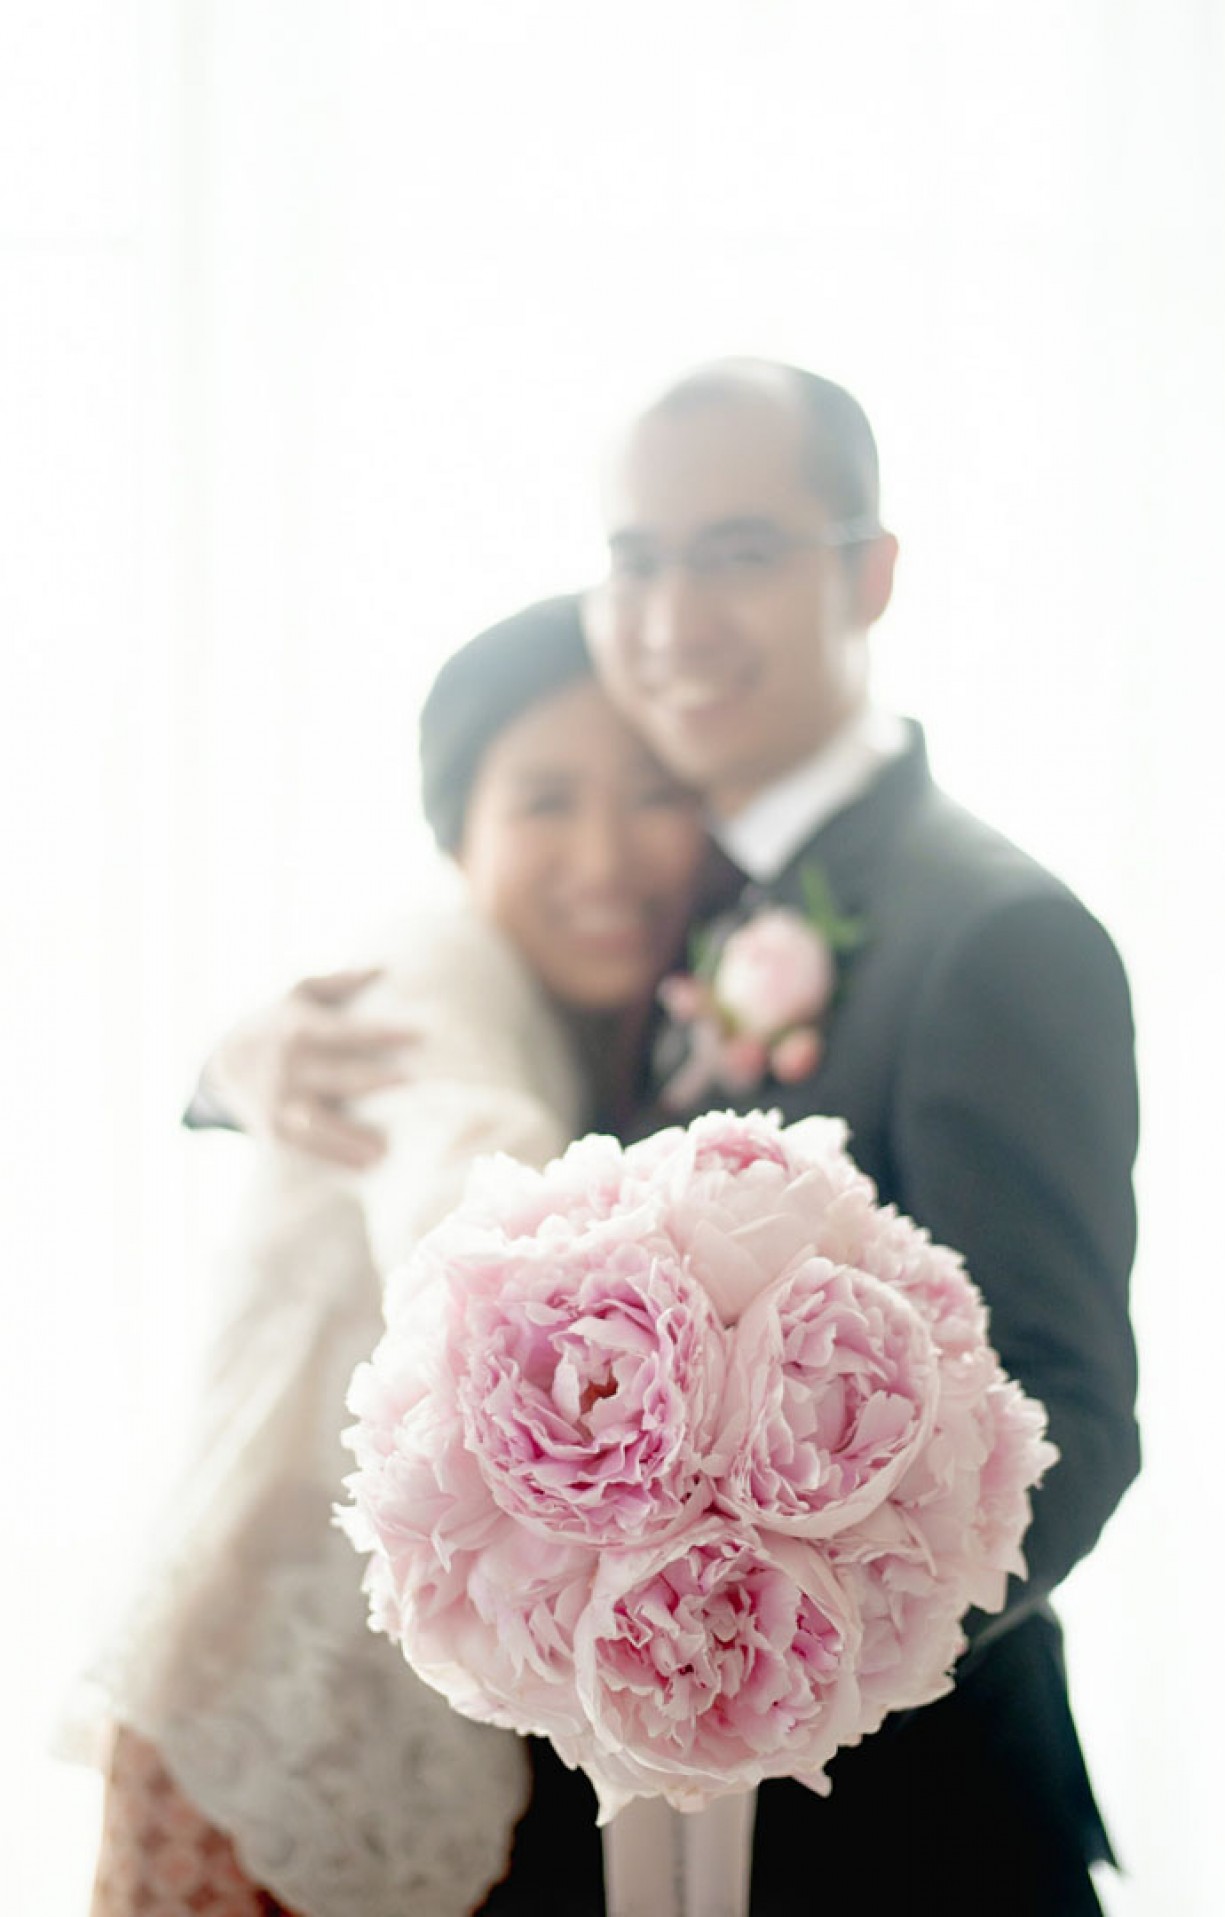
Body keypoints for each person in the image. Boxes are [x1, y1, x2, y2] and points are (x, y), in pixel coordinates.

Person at [220, 359, 1140, 1916]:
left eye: (738, 553)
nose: (672, 618)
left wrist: (781, 1656)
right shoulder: (662, 874)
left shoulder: (994, 935)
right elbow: (458, 1001)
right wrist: (234, 1058)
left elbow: (1076, 1411)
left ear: (870, 573)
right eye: (635, 561)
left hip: (911, 1831)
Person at [71, 596, 707, 1917]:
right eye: (544, 800)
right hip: (276, 1712)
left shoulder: (568, 995)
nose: (605, 854)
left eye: (654, 794)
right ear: (457, 826)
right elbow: (466, 1204)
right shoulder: (428, 974)